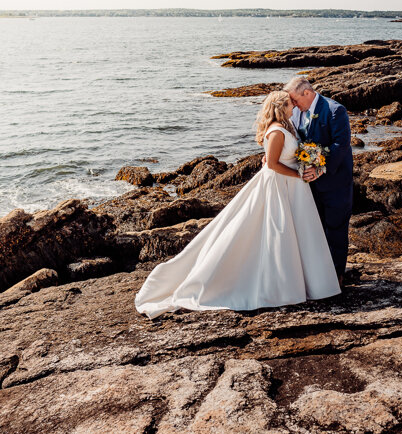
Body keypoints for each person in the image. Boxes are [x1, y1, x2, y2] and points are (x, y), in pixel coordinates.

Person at [135, 90, 340, 318]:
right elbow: (271, 164)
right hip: (279, 186)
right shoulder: (276, 131)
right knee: (276, 233)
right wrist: (298, 175)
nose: (294, 106)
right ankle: (278, 287)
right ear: (282, 107)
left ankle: (300, 284)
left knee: (293, 233)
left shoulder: (286, 126)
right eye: (290, 104)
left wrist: (307, 161)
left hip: (290, 188)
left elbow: (282, 157)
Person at [283, 77, 353, 283]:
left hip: (335, 183)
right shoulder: (295, 112)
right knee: (314, 230)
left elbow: (341, 145)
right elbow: (293, 142)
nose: (293, 104)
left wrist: (321, 169)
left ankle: (336, 276)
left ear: (307, 93)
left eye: (295, 99)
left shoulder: (334, 110)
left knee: (336, 229)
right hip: (307, 184)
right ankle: (317, 276)